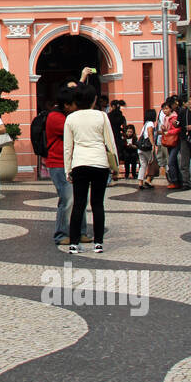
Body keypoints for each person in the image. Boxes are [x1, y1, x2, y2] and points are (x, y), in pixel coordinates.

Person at [64, 82, 119, 254]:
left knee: (79, 204)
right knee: (97, 204)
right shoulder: (101, 116)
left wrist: (68, 169)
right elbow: (110, 141)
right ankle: (98, 243)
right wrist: (115, 164)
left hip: (79, 163)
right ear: (93, 100)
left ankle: (74, 243)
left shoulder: (71, 118)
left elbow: (68, 147)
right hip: (100, 163)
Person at [44, 86, 88, 249]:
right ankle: (61, 234)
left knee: (80, 198)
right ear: (67, 105)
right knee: (67, 199)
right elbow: (76, 132)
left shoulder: (67, 116)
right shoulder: (56, 118)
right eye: (76, 103)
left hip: (72, 162)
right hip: (58, 164)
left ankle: (81, 232)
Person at [161, 97, 183, 188]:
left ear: (171, 109)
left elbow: (177, 129)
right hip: (169, 141)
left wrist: (168, 132)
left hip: (175, 140)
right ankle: (178, 181)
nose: (165, 110)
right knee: (173, 162)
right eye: (163, 109)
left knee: (170, 162)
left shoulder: (174, 117)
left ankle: (174, 181)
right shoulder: (166, 118)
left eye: (166, 108)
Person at [136, 108, 157, 189]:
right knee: (153, 163)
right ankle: (148, 180)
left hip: (140, 148)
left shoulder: (145, 124)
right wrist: (153, 145)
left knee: (143, 165)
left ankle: (140, 182)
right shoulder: (150, 124)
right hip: (147, 148)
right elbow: (150, 134)